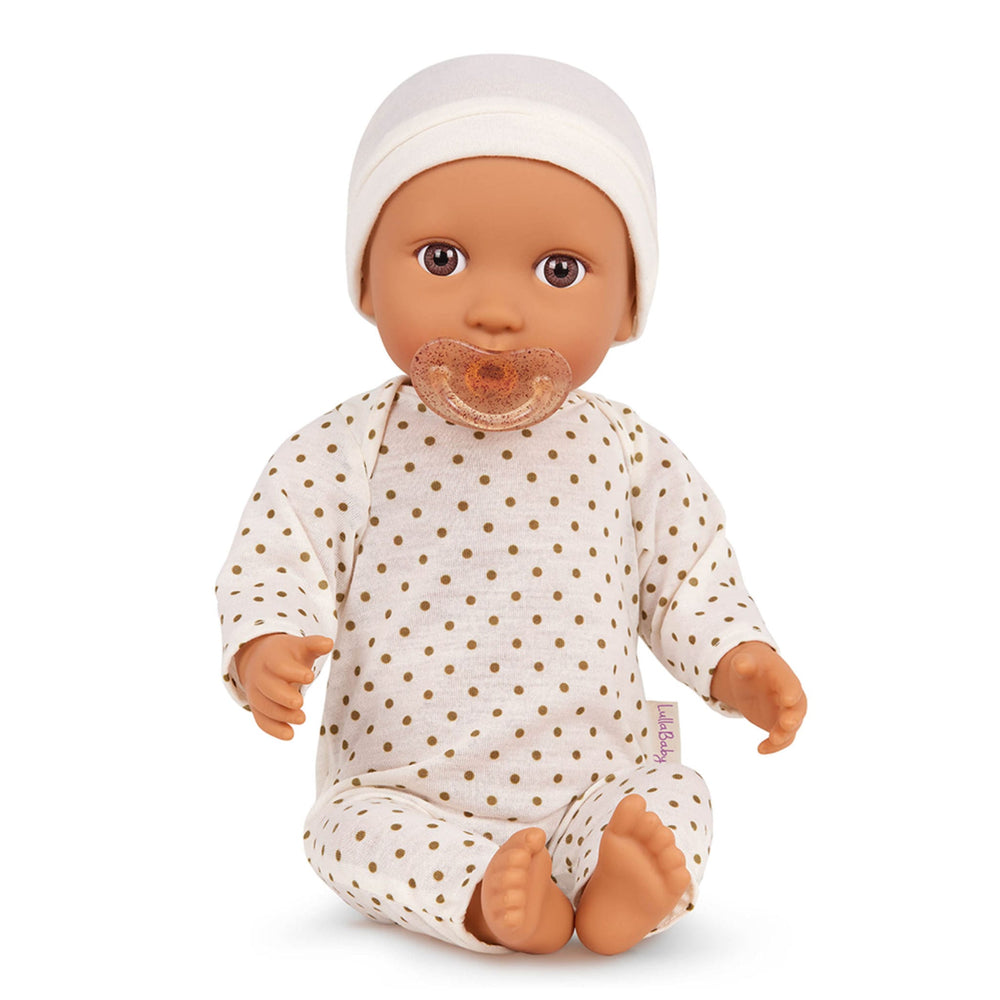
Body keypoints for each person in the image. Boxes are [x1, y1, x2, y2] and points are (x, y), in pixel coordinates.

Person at [216, 54, 806, 956]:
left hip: (597, 788)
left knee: (676, 794)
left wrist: (739, 660)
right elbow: (278, 549)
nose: (495, 311)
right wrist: (266, 641)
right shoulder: (350, 446)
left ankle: (618, 878)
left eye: (559, 270)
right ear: (366, 282)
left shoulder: (628, 454)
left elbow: (688, 577)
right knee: (341, 830)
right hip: (401, 792)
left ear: (628, 308)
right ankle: (485, 897)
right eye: (442, 260)